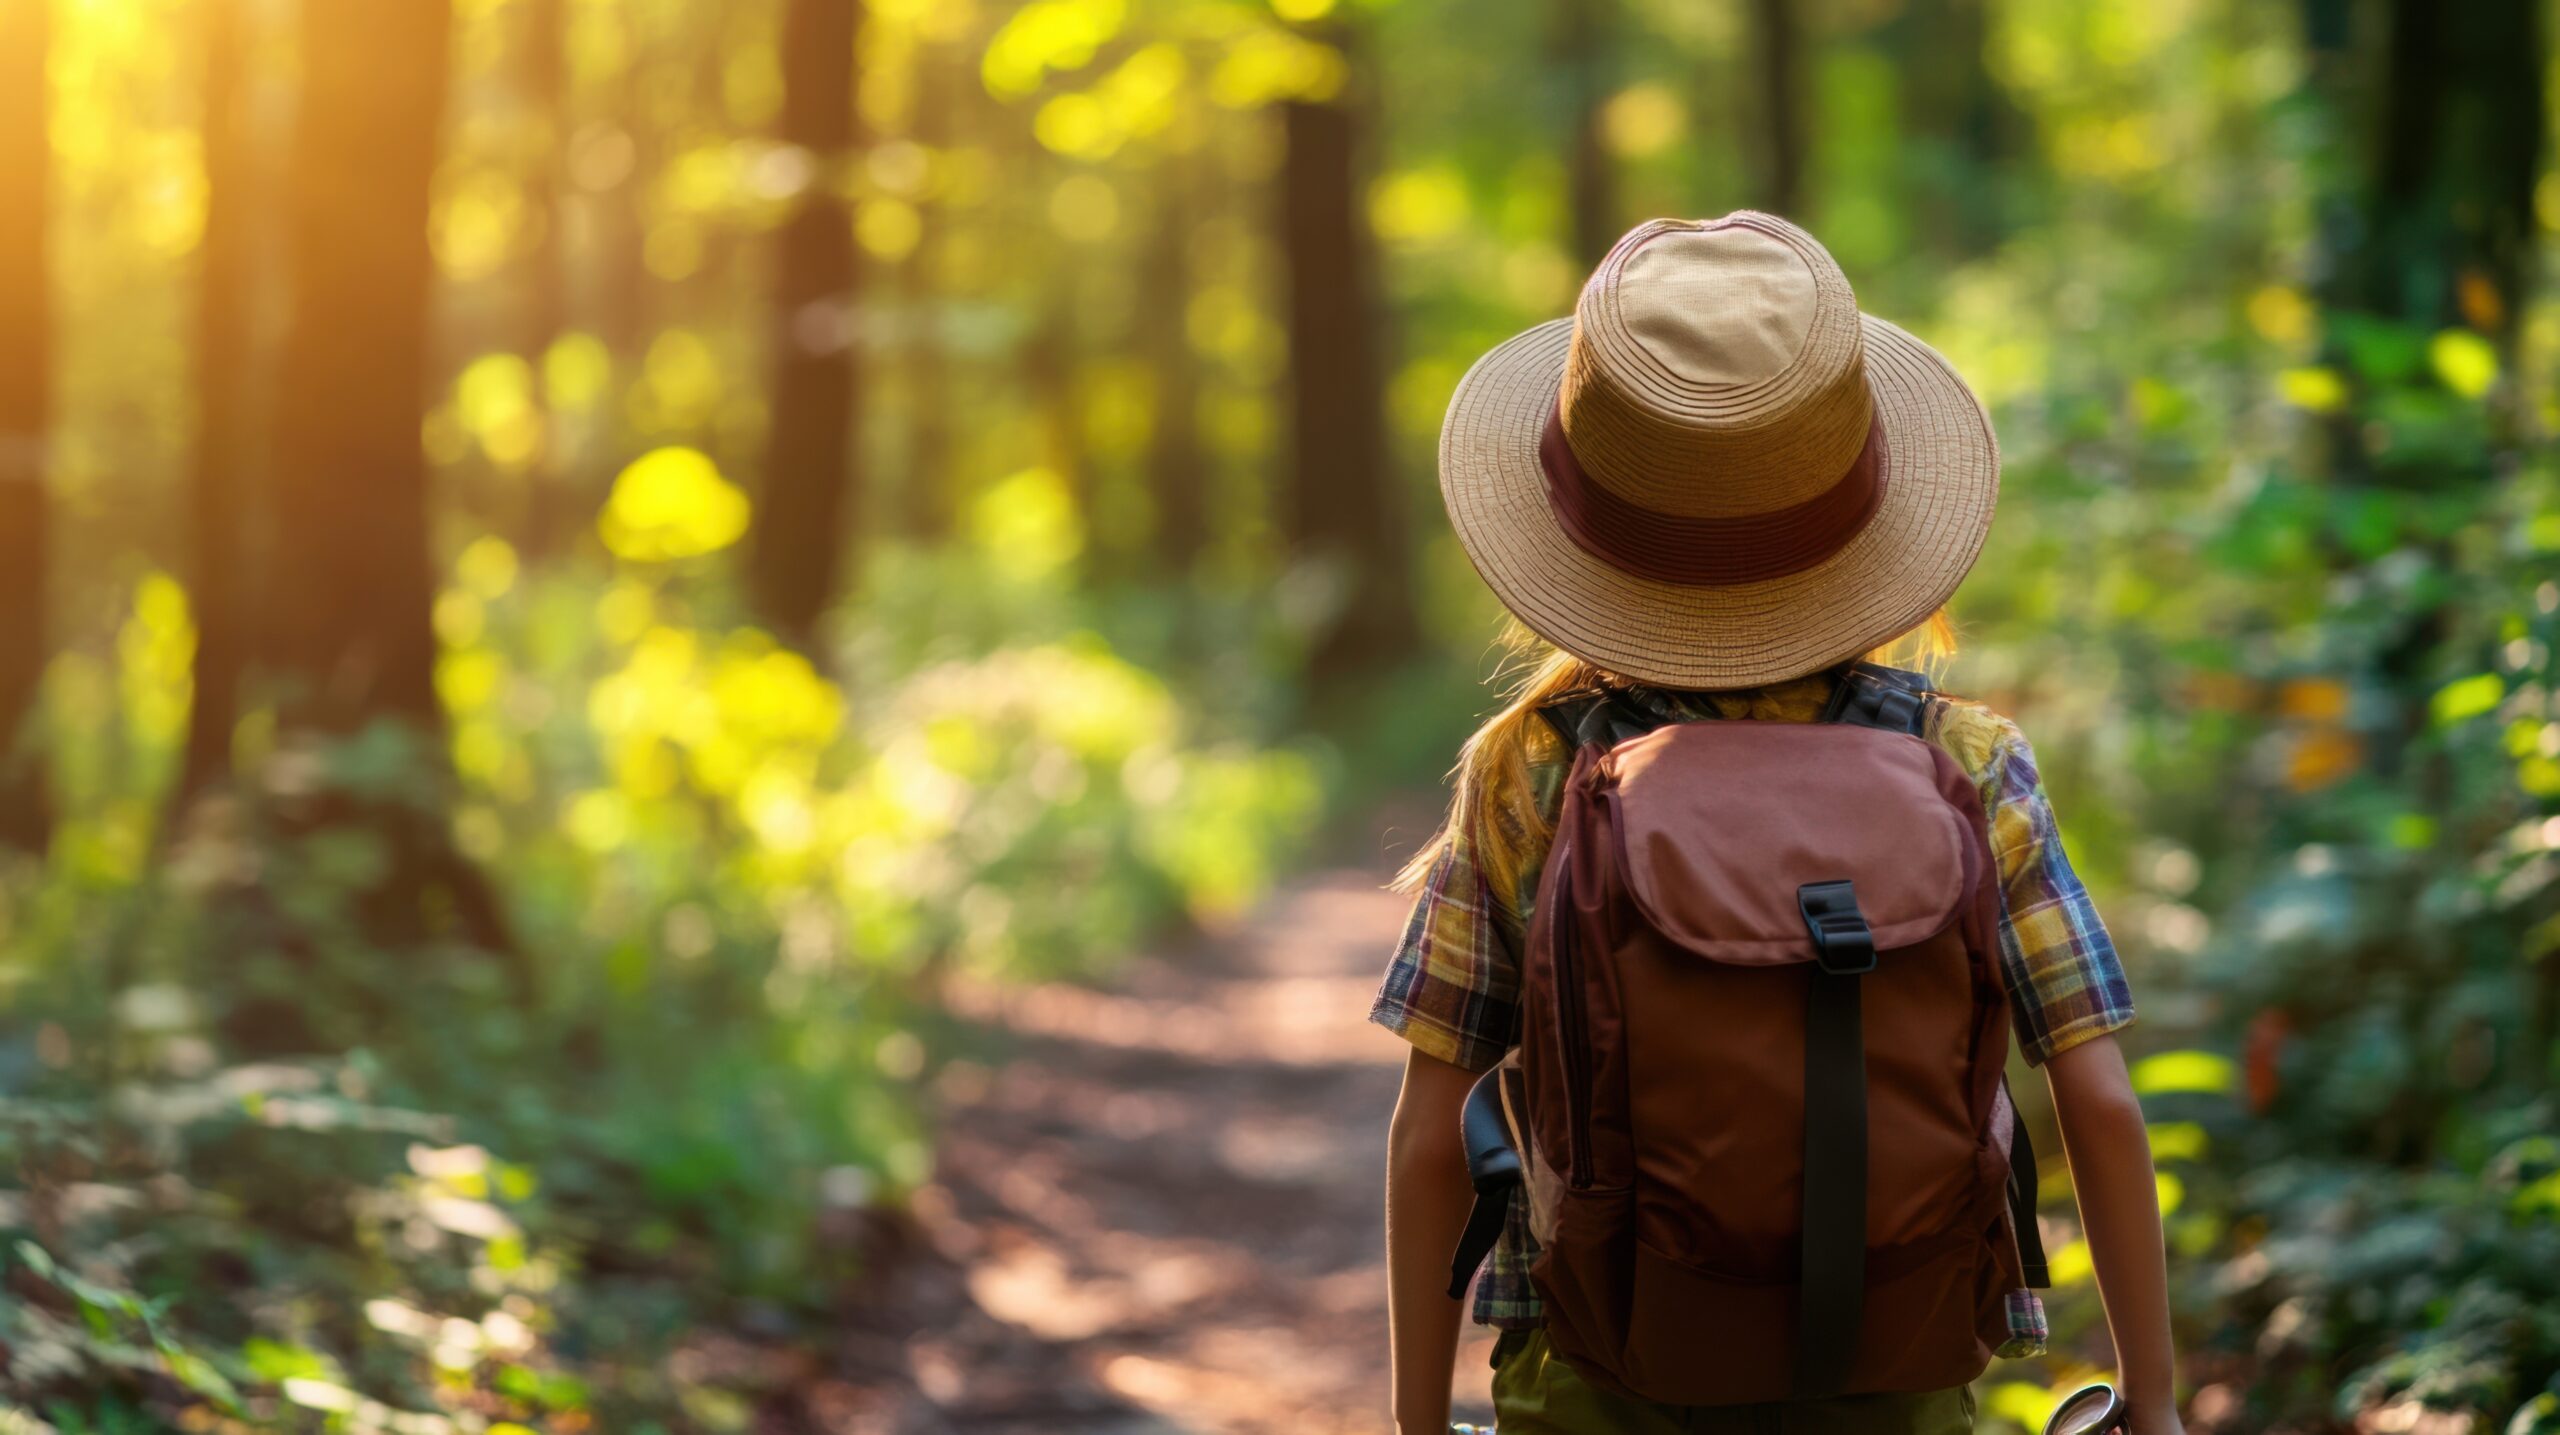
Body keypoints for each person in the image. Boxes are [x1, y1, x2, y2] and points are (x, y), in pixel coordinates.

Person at [1371, 214, 2182, 1434]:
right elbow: (2099, 1102)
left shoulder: (1528, 772)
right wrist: (2154, 1402)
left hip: (1596, 1382)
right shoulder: (1967, 764)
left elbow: (1433, 1130)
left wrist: (1413, 1420)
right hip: (1900, 1375)